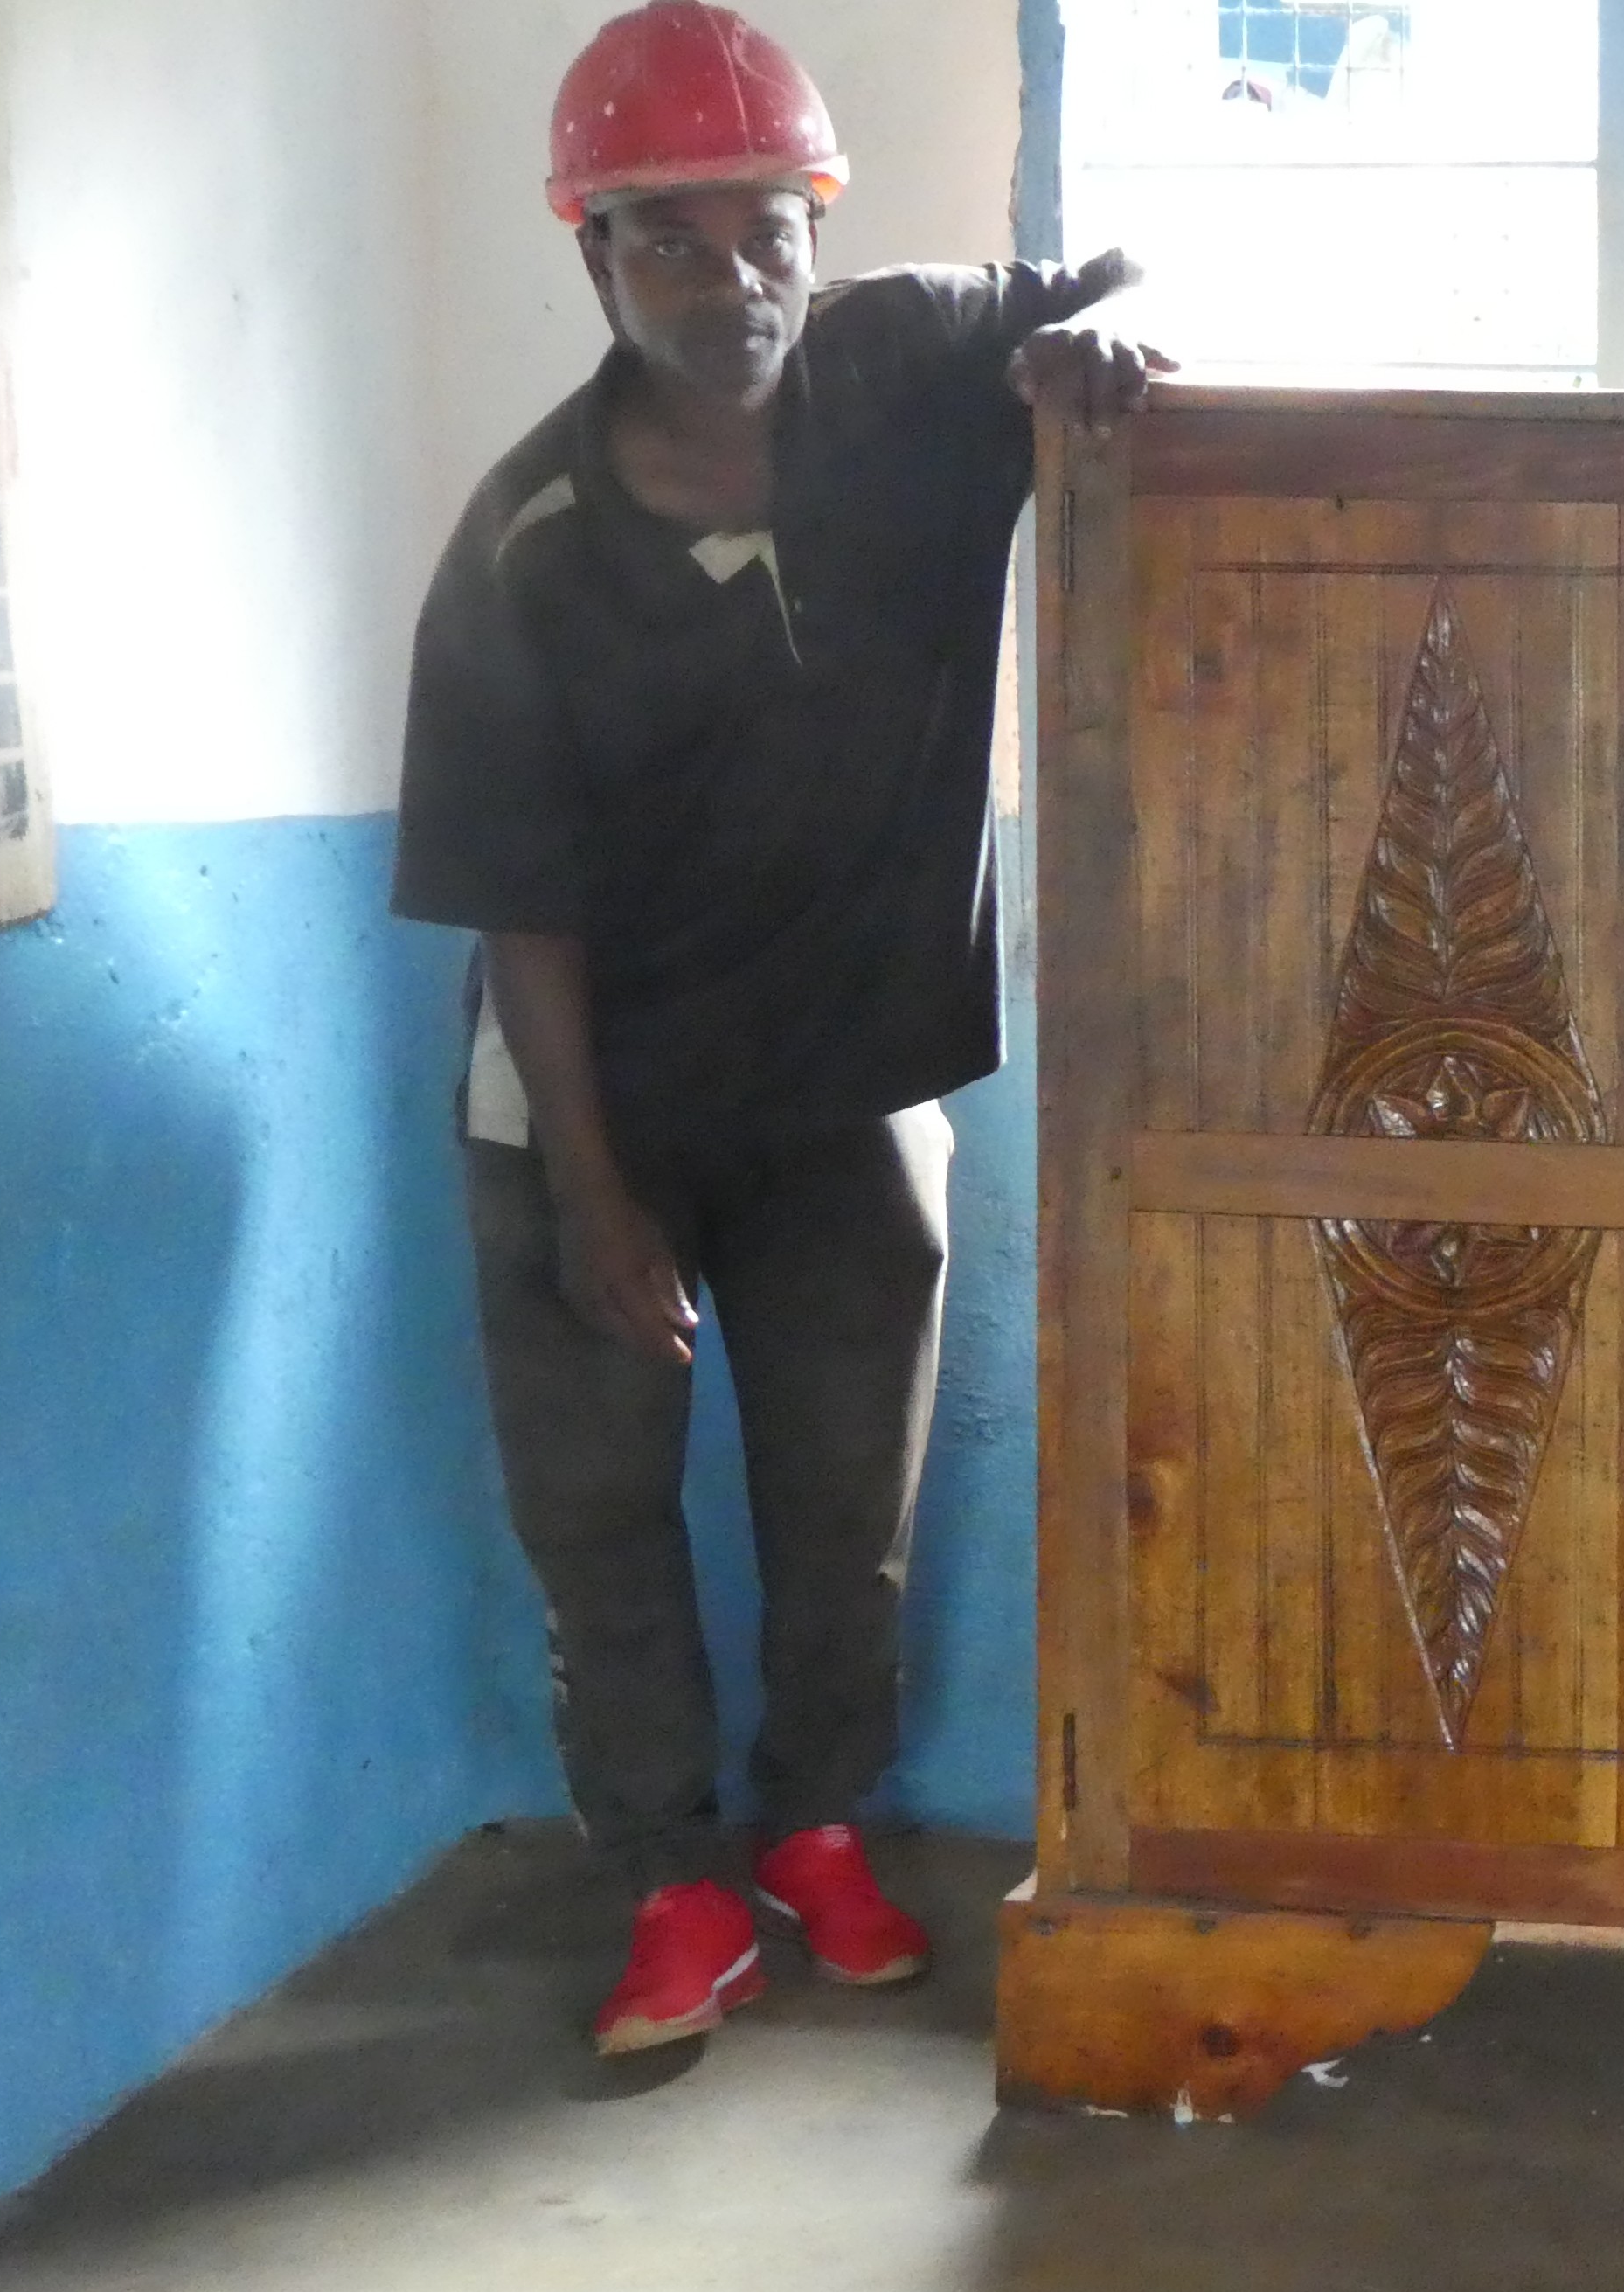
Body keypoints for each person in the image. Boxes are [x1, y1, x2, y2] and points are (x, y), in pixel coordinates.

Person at [390, 0, 1171, 2055]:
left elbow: (1127, 273)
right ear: (594, 258)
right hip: (586, 1100)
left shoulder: (916, 366)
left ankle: (819, 1828)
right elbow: (524, 909)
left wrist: (1102, 350)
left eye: (767, 229)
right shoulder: (527, 543)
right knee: (602, 1515)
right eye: (669, 237)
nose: (728, 278)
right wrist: (593, 1197)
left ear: (818, 230)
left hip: (840, 1089)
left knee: (846, 1502)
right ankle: (673, 1884)